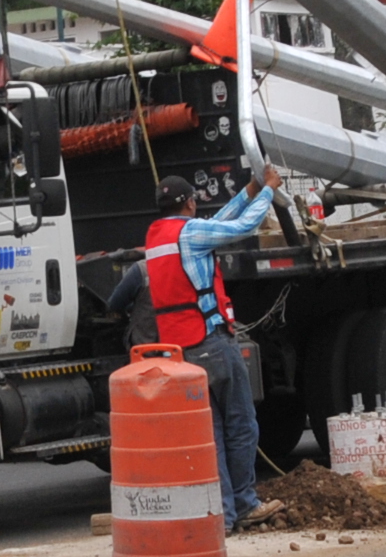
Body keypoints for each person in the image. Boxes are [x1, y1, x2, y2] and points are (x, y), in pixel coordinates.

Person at [142, 164, 284, 532]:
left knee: (214, 434)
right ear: (189, 202)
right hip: (212, 343)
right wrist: (268, 191)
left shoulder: (158, 236)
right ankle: (247, 503)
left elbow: (218, 220)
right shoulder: (190, 234)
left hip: (181, 351)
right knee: (242, 425)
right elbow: (239, 228)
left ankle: (224, 515)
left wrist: (250, 190)